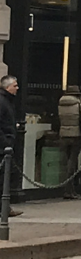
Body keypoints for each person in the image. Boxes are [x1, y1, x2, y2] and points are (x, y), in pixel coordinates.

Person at [57, 86, 81, 198]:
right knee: (72, 162)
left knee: (68, 161)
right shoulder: (78, 105)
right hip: (76, 135)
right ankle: (69, 190)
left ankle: (69, 189)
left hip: (63, 135)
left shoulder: (60, 104)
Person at [0, 77, 22, 216]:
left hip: (6, 145)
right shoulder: (2, 102)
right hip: (3, 147)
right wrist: (6, 141)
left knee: (8, 177)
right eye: (15, 85)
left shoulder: (7, 101)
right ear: (8, 87)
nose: (17, 88)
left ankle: (5, 207)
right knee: (5, 178)